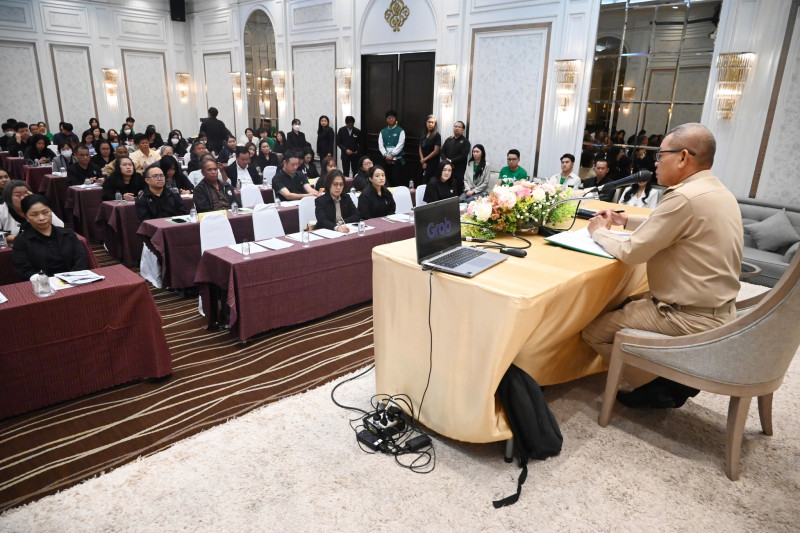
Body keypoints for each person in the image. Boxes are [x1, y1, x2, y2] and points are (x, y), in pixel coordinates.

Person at [582, 123, 743, 408]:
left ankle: (663, 383)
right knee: (626, 301)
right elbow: (673, 225)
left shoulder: (683, 197)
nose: (655, 163)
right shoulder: (716, 191)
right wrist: (625, 220)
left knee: (593, 332)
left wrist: (599, 232)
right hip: (718, 310)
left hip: (688, 317)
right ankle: (664, 377)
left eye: (660, 155)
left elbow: (631, 252)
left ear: (683, 157)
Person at [11, 194, 87, 280]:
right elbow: (23, 270)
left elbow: (81, 258)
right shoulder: (21, 241)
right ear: (26, 217)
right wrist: (48, 281)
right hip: (43, 284)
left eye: (45, 212)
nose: (41, 218)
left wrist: (70, 278)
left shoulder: (68, 233)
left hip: (74, 280)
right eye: (34, 214)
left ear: (51, 212)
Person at [1, 181, 65, 243]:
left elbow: (60, 226)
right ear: (9, 197)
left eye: (26, 194)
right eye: (18, 195)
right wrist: (17, 238)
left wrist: (35, 201)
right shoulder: (2, 210)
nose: (23, 198)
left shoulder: (37, 208)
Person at [439, 121, 470, 194]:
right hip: (446, 169)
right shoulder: (448, 139)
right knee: (445, 188)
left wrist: (451, 161)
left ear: (463, 129)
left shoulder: (465, 142)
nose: (456, 128)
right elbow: (442, 152)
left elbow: (463, 155)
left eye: (459, 127)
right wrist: (446, 161)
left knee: (457, 190)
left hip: (458, 170)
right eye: (455, 126)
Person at [378, 110, 405, 187]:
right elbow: (380, 145)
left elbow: (401, 144)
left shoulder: (400, 131)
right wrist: (386, 154)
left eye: (392, 117)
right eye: (389, 118)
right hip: (386, 159)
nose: (391, 119)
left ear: (395, 119)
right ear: (386, 119)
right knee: (386, 178)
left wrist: (392, 154)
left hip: (397, 159)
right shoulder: (382, 131)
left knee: (396, 178)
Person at [418, 115, 441, 185]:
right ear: (426, 123)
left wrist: (425, 159)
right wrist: (422, 160)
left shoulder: (437, 135)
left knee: (428, 182)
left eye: (432, 122)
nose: (430, 124)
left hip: (432, 162)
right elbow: (420, 147)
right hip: (423, 161)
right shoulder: (423, 134)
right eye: (429, 122)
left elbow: (436, 151)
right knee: (421, 181)